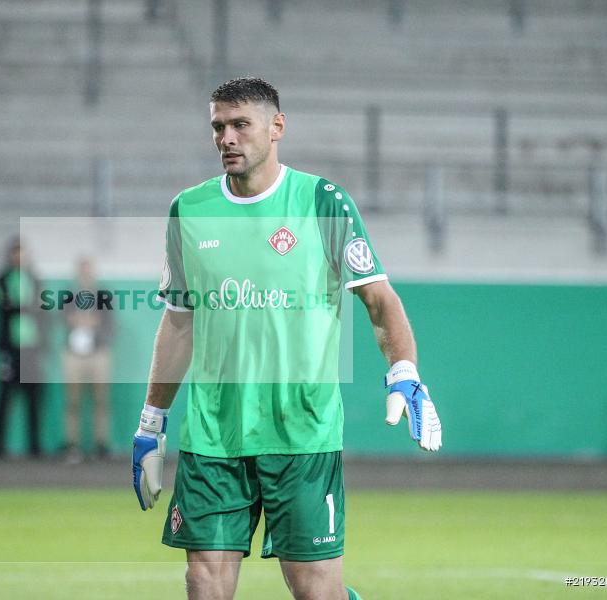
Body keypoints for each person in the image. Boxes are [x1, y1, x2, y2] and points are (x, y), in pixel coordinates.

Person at [131, 78, 442, 600]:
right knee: (203, 583)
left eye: (239, 125)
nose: (226, 138)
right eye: (217, 127)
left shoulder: (322, 202)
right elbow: (179, 321)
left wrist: (404, 371)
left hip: (301, 433)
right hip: (214, 435)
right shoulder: (188, 209)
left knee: (315, 592)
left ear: (277, 128)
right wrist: (152, 419)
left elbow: (380, 300)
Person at [0, 238, 48, 458]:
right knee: (5, 397)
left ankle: (35, 446)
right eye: (16, 253)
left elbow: (41, 309)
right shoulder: (1, 280)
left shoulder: (34, 280)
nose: (19, 258)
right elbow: (1, 305)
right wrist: (22, 306)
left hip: (31, 348)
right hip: (10, 348)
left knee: (34, 399)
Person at [63, 257, 114, 462]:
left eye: (88, 269)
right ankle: (72, 444)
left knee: (101, 400)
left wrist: (95, 323)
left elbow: (110, 322)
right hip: (74, 353)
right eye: (82, 269)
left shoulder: (103, 295)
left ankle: (101, 444)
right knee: (72, 400)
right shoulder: (69, 295)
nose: (85, 273)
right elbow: (62, 318)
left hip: (98, 352)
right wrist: (74, 320)